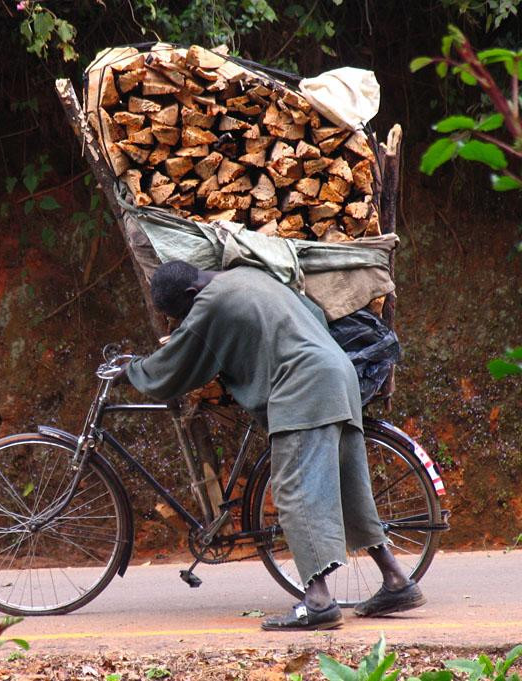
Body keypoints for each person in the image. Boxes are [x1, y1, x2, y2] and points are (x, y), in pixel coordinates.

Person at [123, 260, 426, 631]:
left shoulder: (210, 303)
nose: (184, 320)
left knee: (295, 492)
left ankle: (318, 602)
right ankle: (397, 581)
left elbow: (180, 361)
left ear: (191, 294)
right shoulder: (250, 276)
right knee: (349, 487)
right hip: (337, 373)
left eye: (181, 313)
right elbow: (311, 312)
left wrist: (134, 369)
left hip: (304, 389)